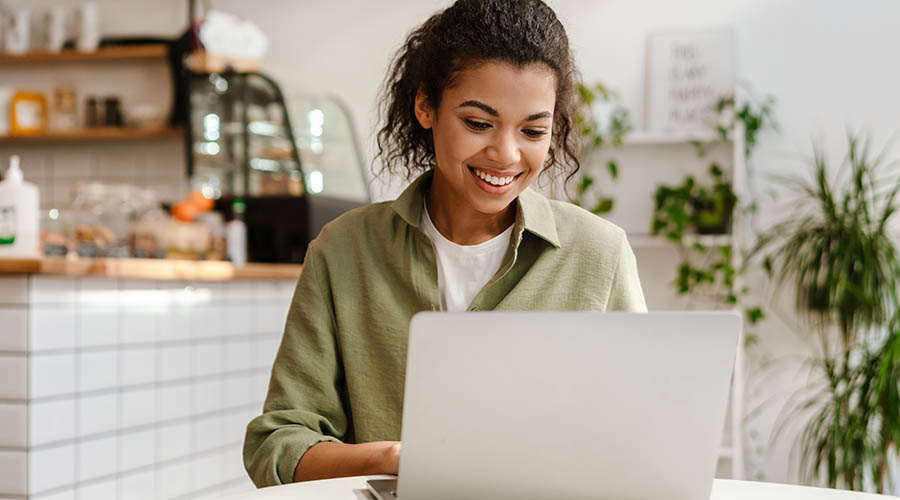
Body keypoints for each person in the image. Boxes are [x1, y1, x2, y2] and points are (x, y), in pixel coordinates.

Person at [243, 0, 646, 488]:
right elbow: (278, 444)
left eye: (533, 130)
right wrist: (396, 457)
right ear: (425, 106)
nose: (506, 154)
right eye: (478, 123)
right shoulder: (344, 251)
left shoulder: (599, 254)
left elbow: (638, 440)